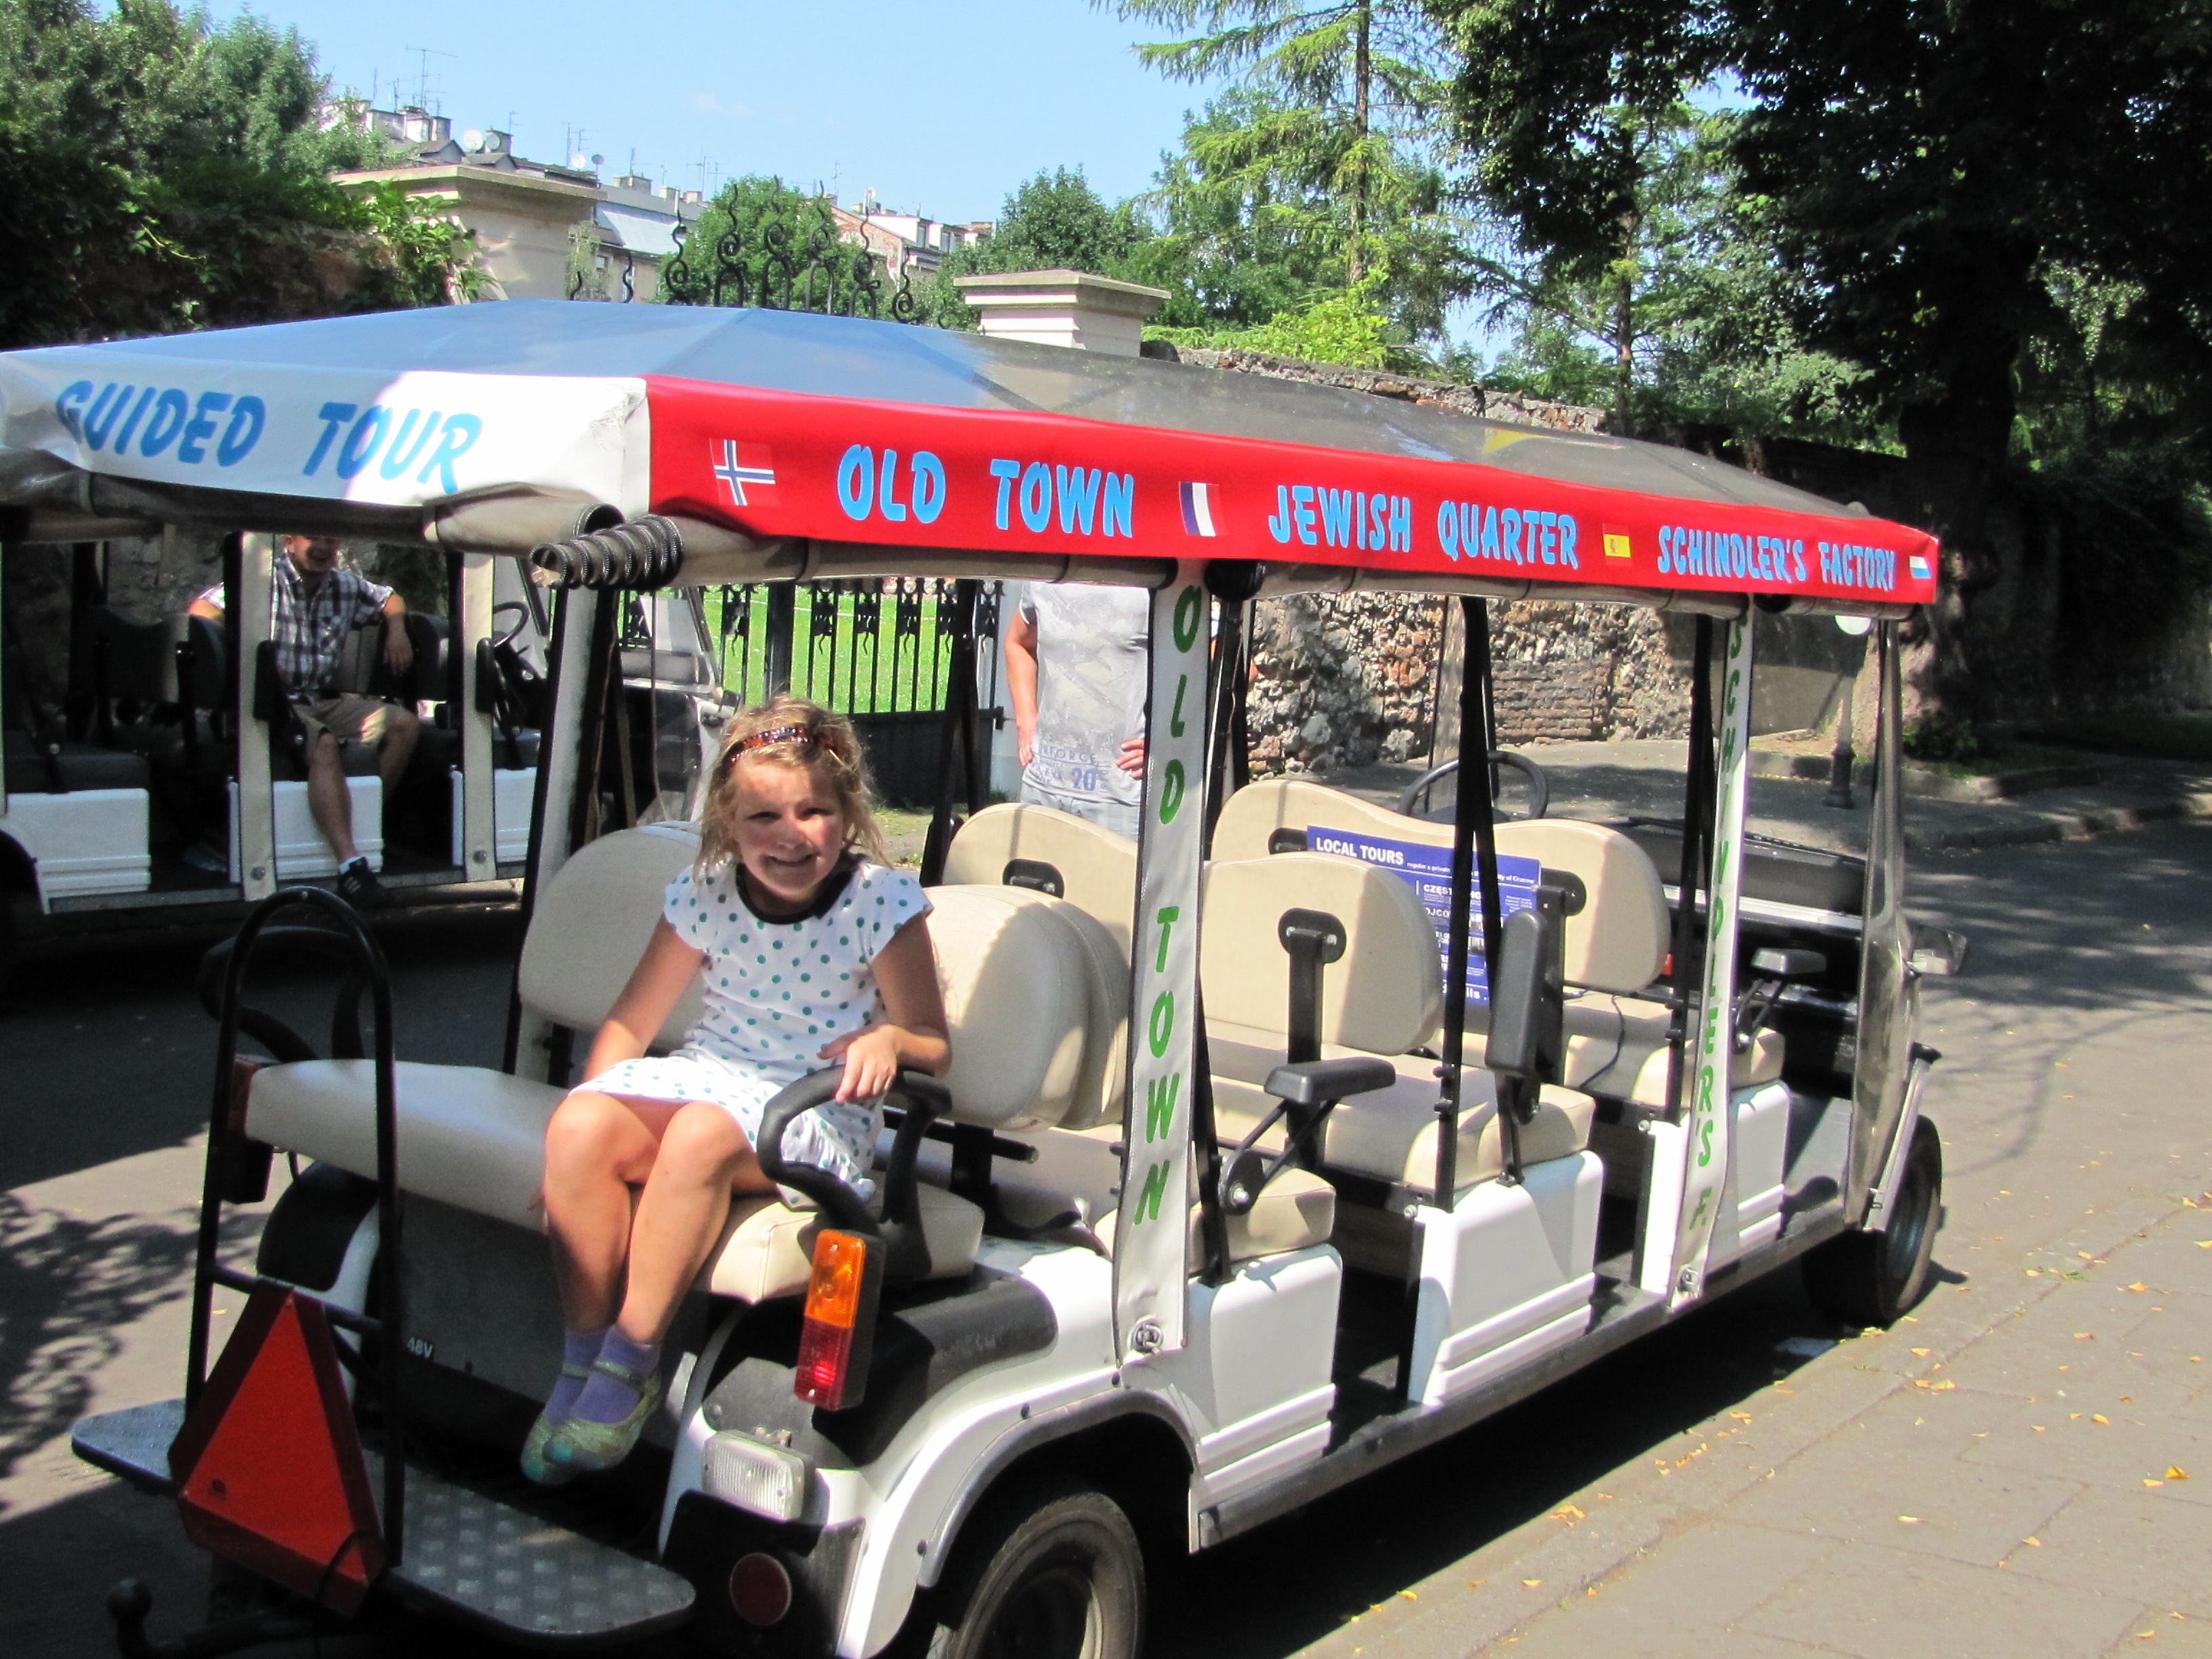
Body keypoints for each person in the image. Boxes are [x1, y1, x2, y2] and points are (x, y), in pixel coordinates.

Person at [525, 697, 949, 1482]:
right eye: (762, 819)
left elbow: (934, 1044)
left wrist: (891, 1039)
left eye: (813, 812)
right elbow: (630, 1023)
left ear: (847, 808)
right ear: (726, 819)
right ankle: (580, 1358)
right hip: (714, 1074)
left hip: (812, 1102)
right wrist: (567, 1135)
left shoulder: (878, 903)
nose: (790, 837)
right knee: (582, 1126)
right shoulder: (706, 892)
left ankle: (632, 1361)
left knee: (697, 1133)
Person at [190, 533, 417, 908]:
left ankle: (361, 831)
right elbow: (202, 611)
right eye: (315, 539)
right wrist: (250, 654)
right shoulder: (261, 581)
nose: (325, 547)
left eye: (332, 540)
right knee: (324, 741)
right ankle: (349, 868)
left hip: (319, 699)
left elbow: (390, 598)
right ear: (291, 542)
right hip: (272, 705)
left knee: (404, 725)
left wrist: (397, 631)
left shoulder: (345, 585)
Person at [1003, 583, 1149, 841]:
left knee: (1112, 883)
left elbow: (1223, 671)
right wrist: (1025, 720)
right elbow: (1018, 643)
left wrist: (1173, 746)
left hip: (1120, 798)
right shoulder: (1046, 578)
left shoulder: (1152, 581)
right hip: (1043, 788)